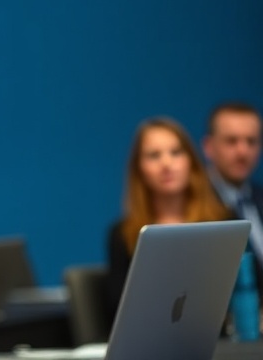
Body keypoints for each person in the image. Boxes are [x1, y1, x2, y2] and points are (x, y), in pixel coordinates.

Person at [106, 117, 231, 321]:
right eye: (154, 155)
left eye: (176, 152)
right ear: (139, 169)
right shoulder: (123, 234)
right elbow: (119, 310)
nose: (166, 163)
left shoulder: (224, 222)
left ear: (190, 160)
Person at [203, 102, 263, 298]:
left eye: (251, 141)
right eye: (231, 141)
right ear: (209, 147)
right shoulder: (194, 205)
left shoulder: (258, 197)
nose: (242, 152)